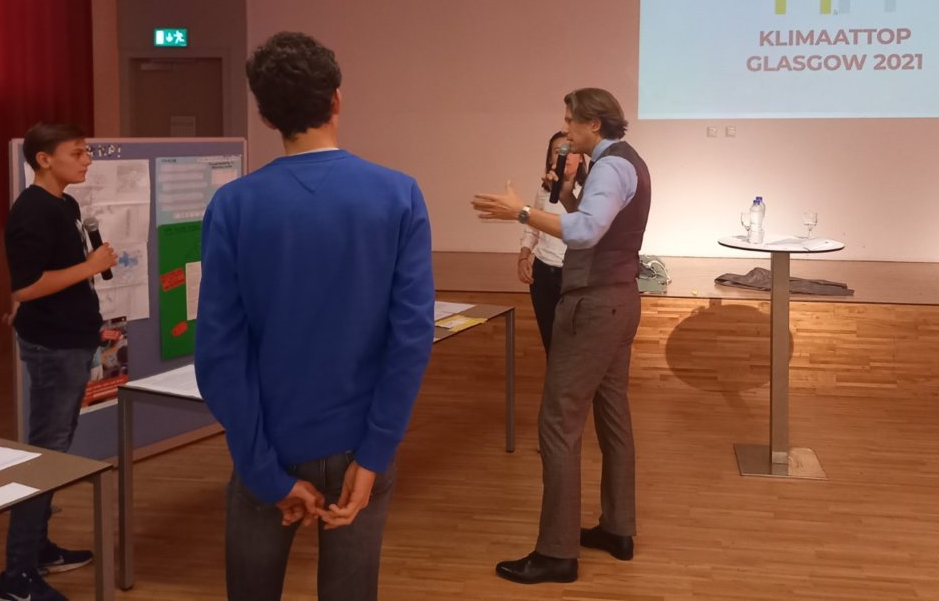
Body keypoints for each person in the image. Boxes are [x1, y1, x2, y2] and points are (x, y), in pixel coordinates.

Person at [195, 31, 435, 601]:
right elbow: (410, 339)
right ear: (336, 99)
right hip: (361, 445)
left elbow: (219, 352)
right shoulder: (398, 195)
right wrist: (375, 454)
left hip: (267, 444)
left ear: (265, 114)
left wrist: (261, 470)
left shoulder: (233, 206)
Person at [472, 88, 651, 584]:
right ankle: (617, 528)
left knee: (558, 423)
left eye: (571, 121)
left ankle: (556, 553)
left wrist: (521, 213)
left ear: (594, 124)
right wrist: (569, 191)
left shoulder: (611, 167)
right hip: (618, 301)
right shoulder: (624, 162)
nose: (566, 129)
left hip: (593, 306)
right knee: (612, 417)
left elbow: (586, 233)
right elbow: (590, 222)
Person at [0, 122, 118, 601]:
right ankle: (16, 577)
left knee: (54, 455)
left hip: (72, 340)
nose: (87, 160)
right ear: (44, 159)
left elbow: (42, 280)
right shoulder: (31, 211)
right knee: (44, 457)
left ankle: (38, 548)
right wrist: (90, 267)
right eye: (78, 152)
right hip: (54, 348)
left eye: (87, 151)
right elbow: (26, 286)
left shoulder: (64, 205)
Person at [517, 131, 586, 356]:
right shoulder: (543, 191)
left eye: (570, 151)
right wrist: (523, 256)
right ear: (550, 158)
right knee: (551, 343)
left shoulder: (589, 191)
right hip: (544, 273)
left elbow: (587, 230)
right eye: (558, 152)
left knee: (576, 346)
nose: (564, 156)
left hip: (575, 276)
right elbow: (532, 227)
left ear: (581, 157)